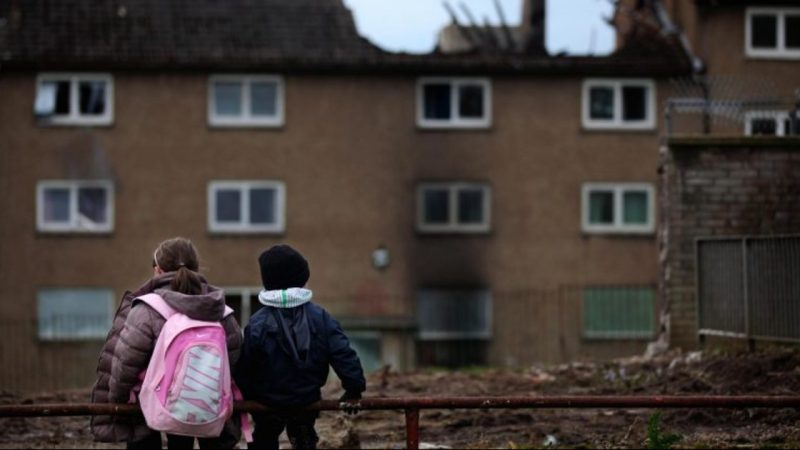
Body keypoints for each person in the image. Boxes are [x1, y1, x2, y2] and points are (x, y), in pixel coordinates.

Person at [93, 237, 243, 450]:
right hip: (205, 404)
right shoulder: (219, 309)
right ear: (197, 268)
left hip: (148, 407)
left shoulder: (147, 309)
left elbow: (125, 364)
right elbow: (235, 360)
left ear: (158, 270)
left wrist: (117, 399)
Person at [235, 244, 366, 450]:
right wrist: (353, 388)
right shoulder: (320, 317)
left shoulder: (258, 322)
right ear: (302, 278)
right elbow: (342, 352)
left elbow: (245, 364)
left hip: (267, 401)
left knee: (264, 438)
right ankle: (304, 437)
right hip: (306, 397)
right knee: (304, 437)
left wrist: (248, 396)